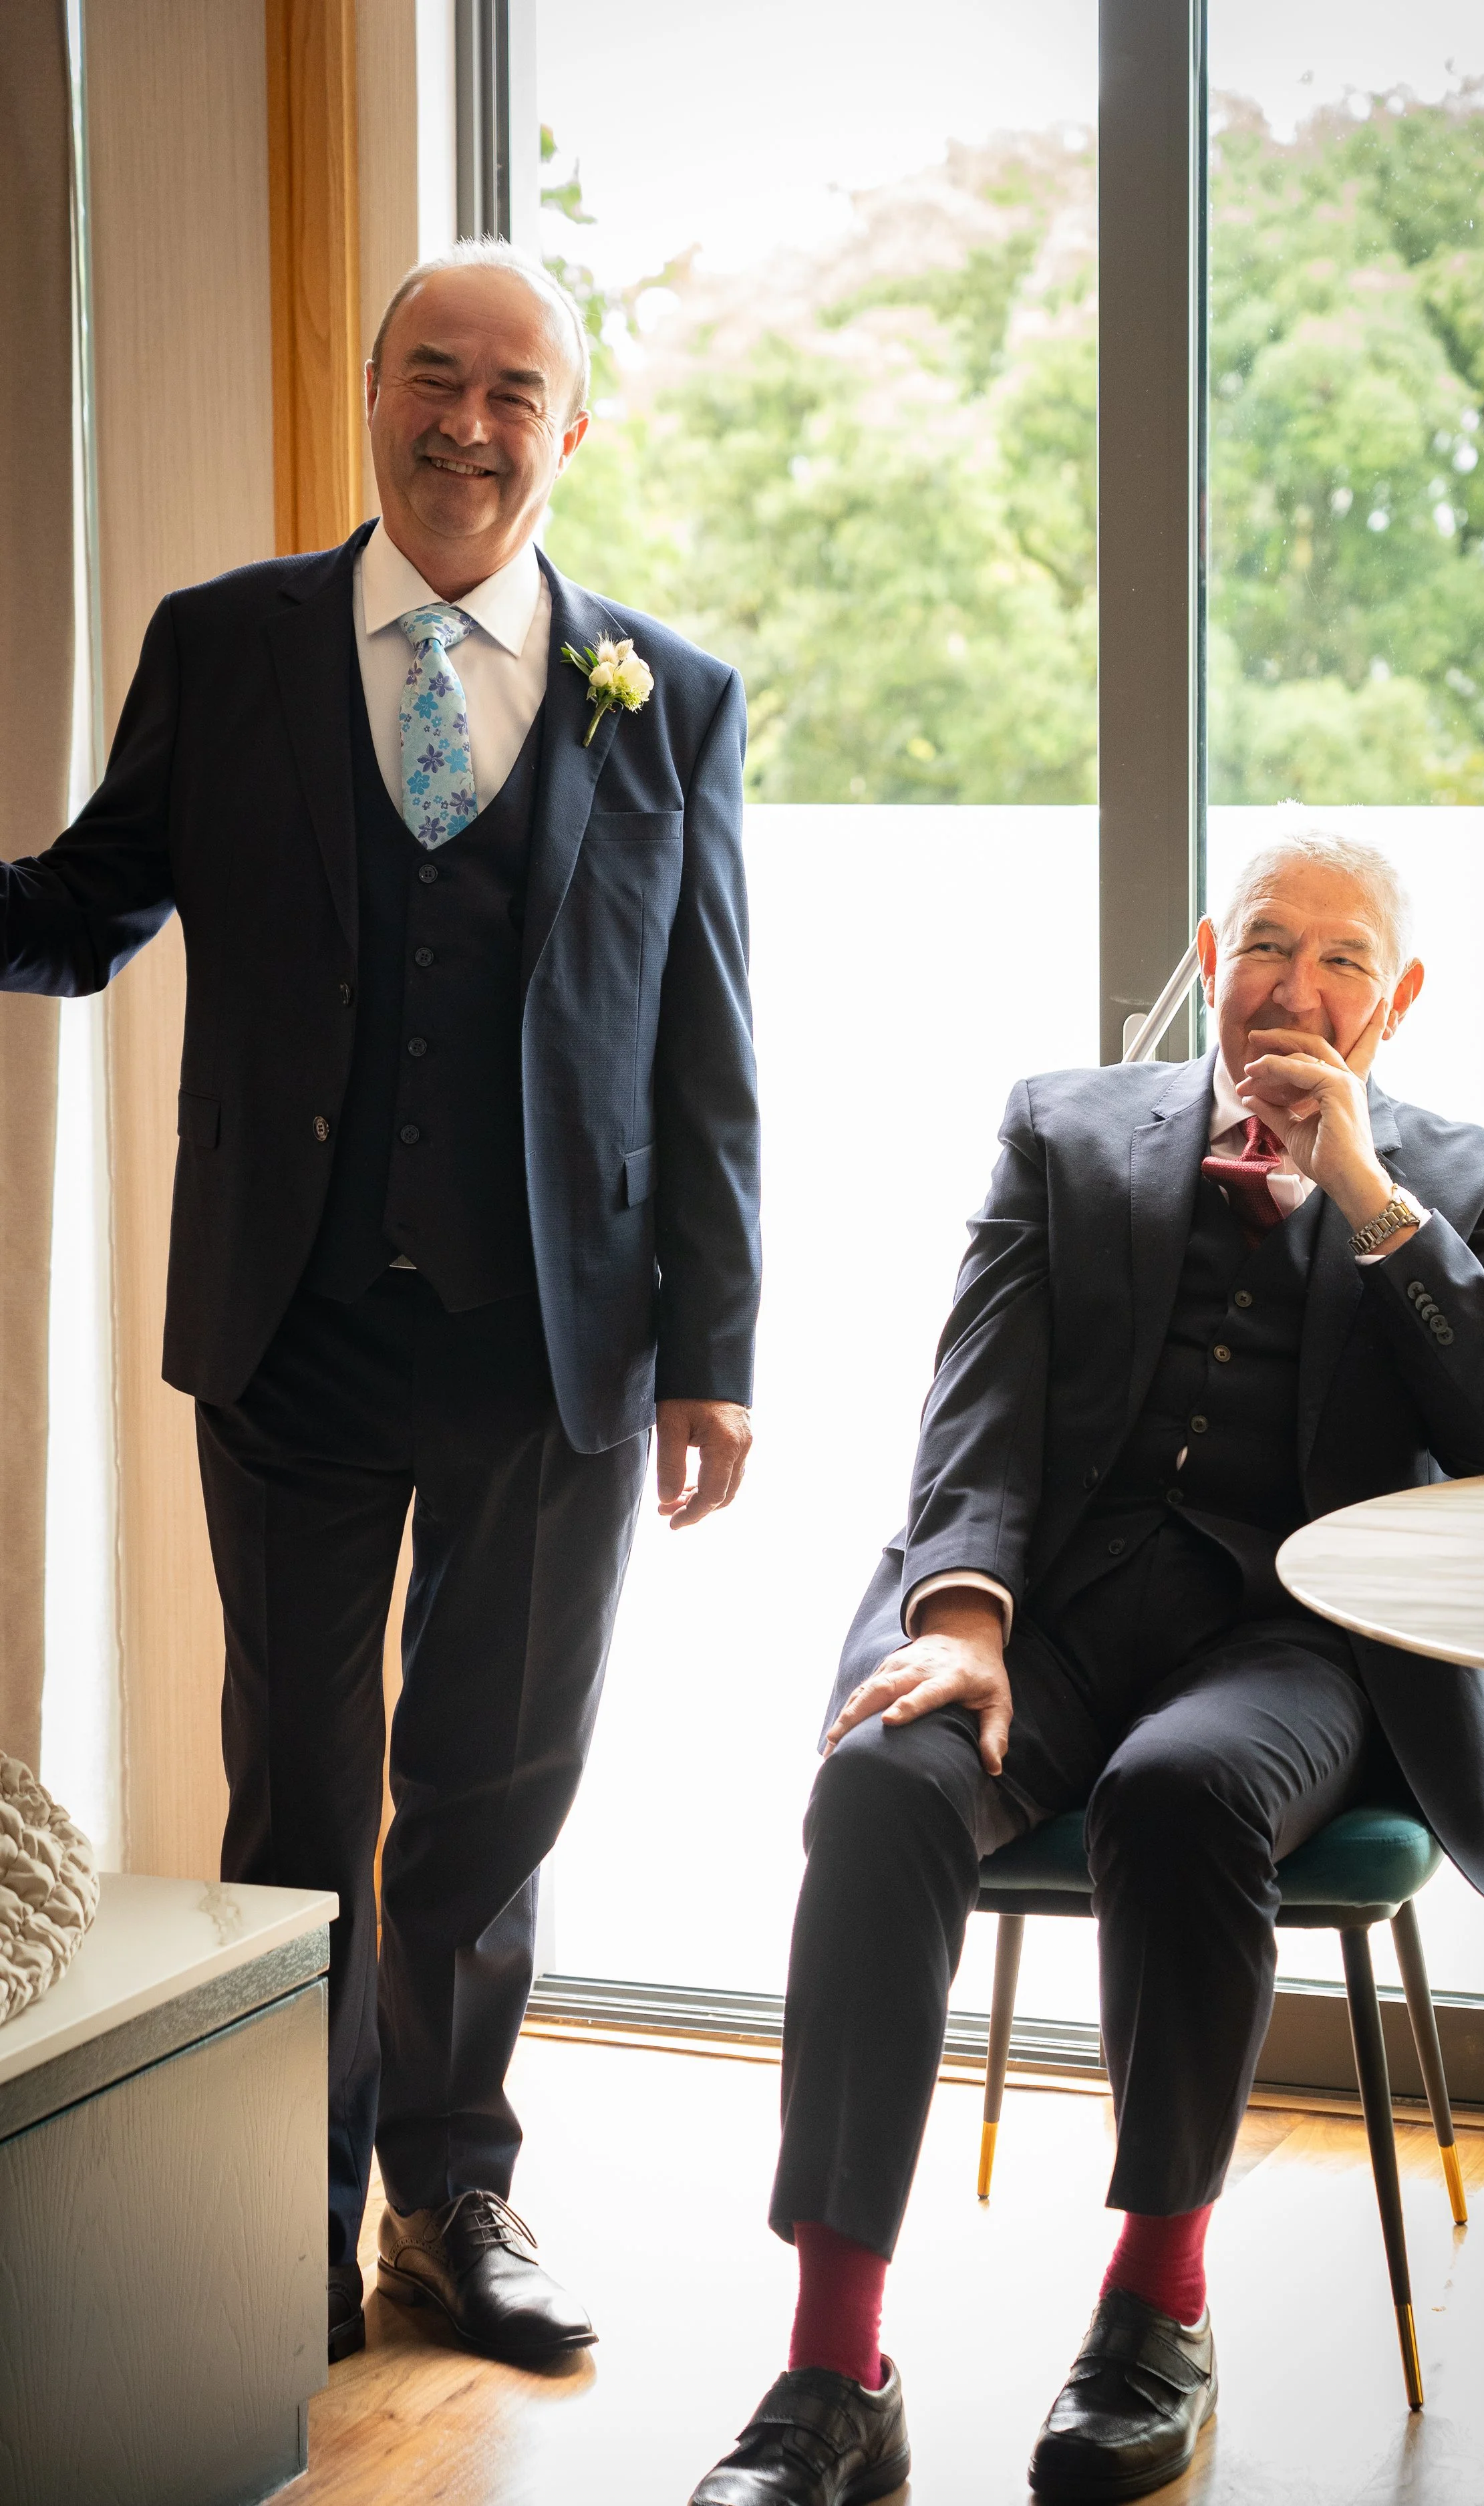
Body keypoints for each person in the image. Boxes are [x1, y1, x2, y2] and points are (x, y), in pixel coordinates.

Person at [0, 241, 760, 2368]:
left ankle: (450, 2196)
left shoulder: (666, 697)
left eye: (517, 390)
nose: (469, 423)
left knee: (494, 1792)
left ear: (570, 430)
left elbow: (705, 1045)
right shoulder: (224, 645)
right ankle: (286, 2215)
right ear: (369, 393)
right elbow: (86, 903)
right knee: (303, 1796)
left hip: (555, 1342)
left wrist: (715, 1352)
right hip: (293, 1324)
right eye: (435, 375)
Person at [691, 831, 1484, 2505]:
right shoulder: (1064, 1124)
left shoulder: (1472, 1184)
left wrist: (1370, 1198)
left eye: (1336, 961)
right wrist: (960, 1616)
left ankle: (1152, 2313)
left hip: (1300, 1646)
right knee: (880, 1785)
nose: (1292, 989)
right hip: (1051, 1607)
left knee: (1179, 1797)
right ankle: (831, 2369)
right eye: (1263, 945)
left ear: (1392, 999)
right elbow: (980, 1394)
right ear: (1205, 950)